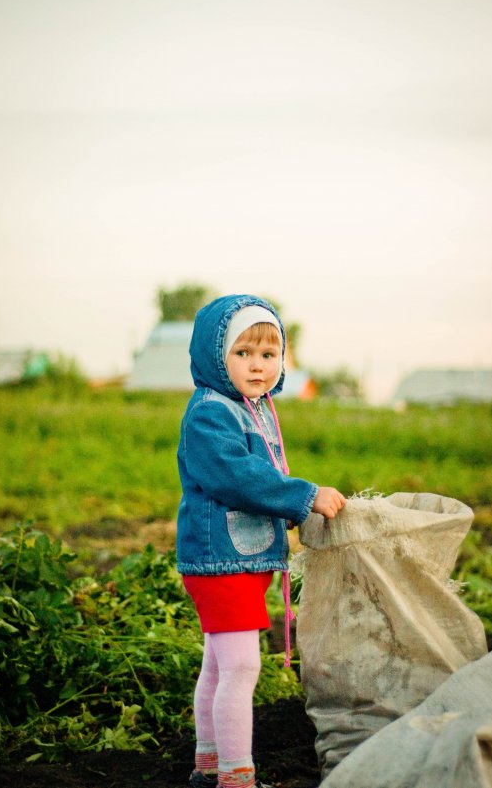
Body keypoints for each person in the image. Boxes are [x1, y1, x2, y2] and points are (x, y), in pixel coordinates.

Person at [176, 294, 345, 788]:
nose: (257, 366)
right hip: (219, 562)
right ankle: (236, 777)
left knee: (219, 663)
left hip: (234, 559)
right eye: (243, 353)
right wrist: (303, 496)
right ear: (215, 357)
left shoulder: (248, 407)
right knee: (242, 668)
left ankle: (209, 765)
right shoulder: (211, 414)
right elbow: (240, 477)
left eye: (268, 355)